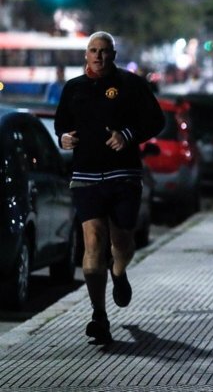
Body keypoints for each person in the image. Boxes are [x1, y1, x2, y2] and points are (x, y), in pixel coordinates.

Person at [55, 31, 164, 345]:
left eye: (104, 51)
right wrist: (64, 138)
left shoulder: (132, 85)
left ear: (113, 55)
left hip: (123, 175)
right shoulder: (73, 88)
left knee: (122, 241)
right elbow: (61, 124)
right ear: (86, 54)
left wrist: (127, 135)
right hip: (86, 176)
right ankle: (98, 316)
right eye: (93, 50)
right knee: (93, 242)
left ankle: (118, 271)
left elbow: (156, 120)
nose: (99, 56)